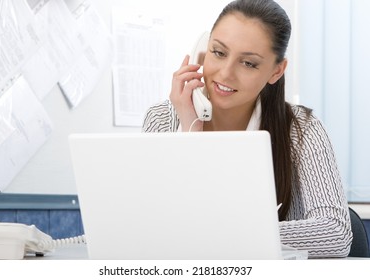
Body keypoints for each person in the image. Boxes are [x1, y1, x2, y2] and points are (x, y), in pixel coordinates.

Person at [142, 0, 352, 258]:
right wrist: (189, 130)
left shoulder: (301, 129)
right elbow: (151, 229)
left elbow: (336, 233)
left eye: (249, 63)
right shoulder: (163, 120)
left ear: (276, 71)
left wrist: (232, 234)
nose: (225, 73)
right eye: (218, 52)